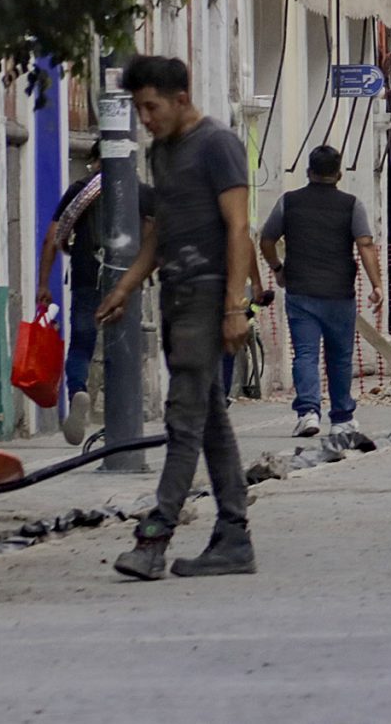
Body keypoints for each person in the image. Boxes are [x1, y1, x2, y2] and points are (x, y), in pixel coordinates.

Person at [100, 56, 257, 580]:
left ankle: (155, 536)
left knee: (183, 419)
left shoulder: (218, 145)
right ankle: (234, 536)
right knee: (209, 417)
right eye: (139, 109)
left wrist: (236, 307)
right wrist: (125, 285)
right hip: (175, 295)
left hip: (208, 298)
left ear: (181, 99)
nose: (145, 118)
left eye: (152, 107)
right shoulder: (161, 155)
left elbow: (239, 229)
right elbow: (159, 234)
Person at [257, 143, 381, 441]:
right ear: (339, 174)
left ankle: (308, 413)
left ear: (308, 172)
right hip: (340, 293)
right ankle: (341, 418)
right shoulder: (352, 205)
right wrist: (377, 284)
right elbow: (364, 244)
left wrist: (277, 269)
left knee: (306, 354)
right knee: (339, 357)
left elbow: (266, 239)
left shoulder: (289, 202)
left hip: (301, 292)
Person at [35, 156, 104, 445]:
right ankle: (122, 415)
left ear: (95, 160)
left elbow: (53, 236)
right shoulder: (134, 190)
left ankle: (78, 389)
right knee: (122, 349)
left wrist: (43, 283)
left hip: (86, 275)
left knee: (80, 345)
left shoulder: (80, 189)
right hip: (126, 280)